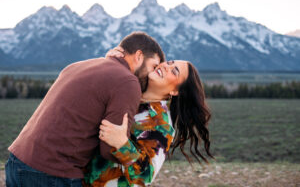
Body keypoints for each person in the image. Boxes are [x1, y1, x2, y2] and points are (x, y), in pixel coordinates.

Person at [5, 32, 165, 187]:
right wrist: (131, 151)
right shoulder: (128, 82)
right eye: (154, 66)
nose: (152, 74)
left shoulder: (78, 65)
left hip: (17, 161)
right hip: (53, 173)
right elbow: (108, 149)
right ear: (138, 56)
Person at [82, 49, 214, 187]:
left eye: (174, 71)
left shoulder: (161, 126)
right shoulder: (130, 92)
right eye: (169, 62)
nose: (165, 66)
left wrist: (121, 143)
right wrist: (111, 63)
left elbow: (145, 176)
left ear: (175, 91)